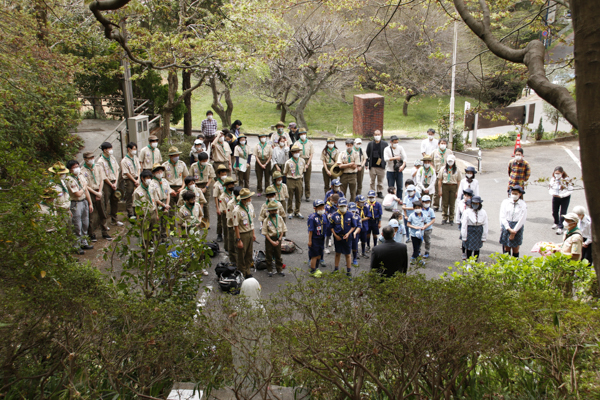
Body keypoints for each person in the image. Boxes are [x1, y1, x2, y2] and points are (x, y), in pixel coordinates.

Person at [65, 160, 94, 253]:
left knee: (85, 223)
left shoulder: (80, 176)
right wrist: (84, 187)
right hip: (75, 203)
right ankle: (76, 245)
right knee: (77, 225)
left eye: (77, 166)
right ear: (70, 169)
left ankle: (84, 242)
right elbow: (77, 193)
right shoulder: (69, 179)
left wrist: (90, 203)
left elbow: (85, 192)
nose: (77, 168)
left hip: (84, 201)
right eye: (74, 167)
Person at [81, 151, 110, 241]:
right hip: (90, 193)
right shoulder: (82, 171)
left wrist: (100, 192)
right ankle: (91, 233)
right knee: (91, 214)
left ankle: (104, 232)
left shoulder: (98, 167)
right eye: (89, 158)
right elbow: (85, 185)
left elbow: (101, 180)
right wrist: (95, 193)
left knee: (103, 212)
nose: (91, 160)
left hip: (99, 191)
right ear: (85, 159)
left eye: (92, 157)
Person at [96, 142, 122, 226]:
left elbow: (117, 170)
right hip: (107, 183)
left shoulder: (112, 158)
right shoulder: (100, 161)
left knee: (115, 200)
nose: (111, 150)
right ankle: (104, 223)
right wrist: (111, 184)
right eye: (109, 149)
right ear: (104, 150)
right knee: (105, 202)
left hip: (114, 181)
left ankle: (114, 219)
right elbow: (103, 175)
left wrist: (115, 182)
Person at [329, 198, 356, 276]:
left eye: (344, 206)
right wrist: (335, 235)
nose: (343, 207)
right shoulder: (334, 215)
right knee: (337, 253)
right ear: (338, 206)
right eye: (341, 206)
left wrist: (348, 233)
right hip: (338, 237)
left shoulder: (350, 215)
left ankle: (348, 271)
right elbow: (331, 227)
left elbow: (353, 226)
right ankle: (336, 269)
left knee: (347, 254)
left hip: (347, 237)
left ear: (347, 206)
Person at [233, 188, 256, 278]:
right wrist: (238, 239)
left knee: (249, 254)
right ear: (244, 199)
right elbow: (236, 226)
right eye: (249, 198)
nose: (250, 199)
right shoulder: (237, 210)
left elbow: (252, 221)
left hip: (249, 232)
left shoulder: (250, 206)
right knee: (241, 255)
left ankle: (247, 271)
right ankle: (241, 273)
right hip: (242, 234)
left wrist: (253, 233)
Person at [499, 185, 527, 258]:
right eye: (513, 193)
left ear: (520, 194)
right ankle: (506, 264)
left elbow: (522, 219)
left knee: (515, 248)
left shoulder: (523, 204)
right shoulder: (505, 202)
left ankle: (515, 265)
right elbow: (502, 216)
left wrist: (514, 231)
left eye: (516, 194)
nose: (514, 195)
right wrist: (508, 228)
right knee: (506, 247)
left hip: (517, 227)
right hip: (507, 226)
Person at [262, 200, 287, 277]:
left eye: (275, 210)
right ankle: (269, 269)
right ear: (269, 211)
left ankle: (279, 268)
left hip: (278, 238)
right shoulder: (266, 220)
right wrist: (272, 241)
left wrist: (279, 239)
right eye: (272, 210)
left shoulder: (279, 218)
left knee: (278, 254)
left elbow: (283, 229)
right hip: (270, 239)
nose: (274, 212)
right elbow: (265, 233)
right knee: (269, 254)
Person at [189, 152, 215, 225]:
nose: (205, 162)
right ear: (199, 160)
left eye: (206, 160)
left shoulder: (209, 166)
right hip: (196, 185)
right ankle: (196, 221)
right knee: (196, 204)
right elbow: (190, 178)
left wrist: (206, 187)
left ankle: (206, 222)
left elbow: (211, 177)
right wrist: (196, 188)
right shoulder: (193, 166)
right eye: (203, 161)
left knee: (206, 205)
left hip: (206, 185)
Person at [460, 196, 488, 261]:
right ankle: (469, 262)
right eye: (473, 203)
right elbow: (464, 225)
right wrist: (464, 236)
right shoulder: (467, 212)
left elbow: (485, 224)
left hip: (478, 231)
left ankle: (475, 262)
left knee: (477, 248)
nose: (475, 205)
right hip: (470, 231)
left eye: (477, 203)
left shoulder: (483, 212)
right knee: (469, 248)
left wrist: (484, 236)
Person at [548, 166, 573, 235]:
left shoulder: (566, 180)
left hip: (564, 198)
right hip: (556, 197)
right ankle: (556, 222)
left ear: (562, 173)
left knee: (563, 213)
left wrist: (562, 195)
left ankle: (560, 227)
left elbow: (570, 190)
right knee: (554, 212)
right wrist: (552, 194)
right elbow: (550, 188)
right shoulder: (553, 179)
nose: (557, 174)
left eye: (558, 173)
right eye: (555, 173)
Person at [283, 143, 305, 219]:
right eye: (295, 152)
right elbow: (285, 172)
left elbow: (303, 170)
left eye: (298, 152)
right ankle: (290, 211)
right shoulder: (288, 162)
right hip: (290, 180)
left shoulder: (302, 161)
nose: (297, 153)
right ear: (292, 153)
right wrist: (290, 178)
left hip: (299, 179)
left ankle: (297, 211)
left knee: (299, 196)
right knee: (290, 196)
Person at [150, 163, 171, 238]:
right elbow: (155, 198)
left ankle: (164, 238)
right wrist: (163, 205)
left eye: (161, 171)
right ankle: (158, 239)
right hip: (158, 204)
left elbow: (168, 193)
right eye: (157, 172)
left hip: (165, 203)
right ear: (154, 173)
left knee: (164, 222)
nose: (160, 173)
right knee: (157, 222)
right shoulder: (152, 183)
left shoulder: (165, 181)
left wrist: (167, 205)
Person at [121, 142, 141, 219]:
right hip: (129, 180)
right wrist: (134, 181)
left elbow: (139, 168)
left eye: (136, 149)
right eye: (134, 149)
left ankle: (137, 212)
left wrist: (138, 179)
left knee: (137, 196)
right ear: (129, 149)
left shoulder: (135, 158)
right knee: (129, 196)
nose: (135, 151)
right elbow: (126, 173)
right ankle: (130, 213)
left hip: (137, 178)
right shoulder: (124, 160)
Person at [439, 154, 461, 225]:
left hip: (453, 186)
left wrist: (458, 191)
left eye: (451, 161)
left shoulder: (457, 170)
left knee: (452, 203)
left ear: (454, 161)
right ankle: (444, 217)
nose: (450, 162)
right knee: (445, 203)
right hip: (445, 186)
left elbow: (459, 181)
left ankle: (451, 218)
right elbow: (440, 180)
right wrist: (440, 190)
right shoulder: (443, 169)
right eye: (449, 161)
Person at [365, 130, 387, 198]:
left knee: (380, 181)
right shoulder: (370, 144)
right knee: (372, 181)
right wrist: (366, 163)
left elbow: (386, 154)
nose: (377, 136)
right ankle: (372, 192)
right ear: (373, 135)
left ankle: (379, 192)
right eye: (376, 134)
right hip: (373, 165)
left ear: (381, 134)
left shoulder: (384, 144)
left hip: (381, 166)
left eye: (378, 134)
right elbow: (367, 154)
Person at [307, 199, 326, 277]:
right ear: (315, 208)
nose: (321, 209)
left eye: (322, 207)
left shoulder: (324, 216)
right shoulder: (312, 218)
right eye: (319, 208)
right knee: (314, 255)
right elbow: (310, 230)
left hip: (321, 238)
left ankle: (317, 267)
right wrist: (310, 241)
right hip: (315, 239)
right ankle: (312, 270)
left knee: (319, 254)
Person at [433, 138, 453, 211]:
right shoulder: (434, 152)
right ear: (438, 144)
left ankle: (443, 206)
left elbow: (453, 162)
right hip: (437, 173)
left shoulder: (449, 152)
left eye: (444, 143)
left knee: (445, 190)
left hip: (446, 174)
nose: (443, 145)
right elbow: (430, 162)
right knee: (437, 190)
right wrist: (433, 169)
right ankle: (436, 205)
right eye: (442, 143)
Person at [217, 177, 235, 256]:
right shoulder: (222, 197)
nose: (232, 186)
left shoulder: (234, 194)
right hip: (226, 216)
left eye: (232, 184)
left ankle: (233, 247)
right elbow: (223, 209)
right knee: (227, 232)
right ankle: (227, 248)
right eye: (230, 185)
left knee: (233, 232)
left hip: (234, 215)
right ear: (226, 186)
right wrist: (230, 215)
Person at [455, 188, 474, 260]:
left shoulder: (472, 203)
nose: (466, 197)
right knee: (463, 237)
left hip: (470, 223)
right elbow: (458, 212)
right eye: (465, 195)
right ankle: (463, 252)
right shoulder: (461, 202)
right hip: (462, 222)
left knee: (469, 238)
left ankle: (469, 250)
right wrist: (458, 221)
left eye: (468, 196)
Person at [296, 128, 314, 202]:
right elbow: (295, 153)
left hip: (307, 160)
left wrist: (308, 163)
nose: (303, 135)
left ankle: (307, 195)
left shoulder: (310, 143)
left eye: (304, 134)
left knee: (307, 180)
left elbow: (311, 154)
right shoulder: (297, 143)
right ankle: (299, 195)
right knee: (300, 179)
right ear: (299, 135)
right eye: (301, 134)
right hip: (299, 160)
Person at [213, 164, 230, 242]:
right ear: (219, 175)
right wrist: (217, 208)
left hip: (229, 203)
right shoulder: (217, 184)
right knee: (220, 220)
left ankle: (228, 234)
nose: (224, 176)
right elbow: (215, 196)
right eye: (222, 174)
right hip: (221, 204)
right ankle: (219, 234)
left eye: (225, 174)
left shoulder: (228, 182)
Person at [226, 186, 242, 264]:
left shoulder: (243, 201)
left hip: (240, 227)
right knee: (232, 244)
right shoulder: (231, 204)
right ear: (235, 195)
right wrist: (237, 225)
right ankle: (233, 262)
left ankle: (240, 261)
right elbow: (230, 218)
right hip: (232, 227)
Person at [349, 202, 362, 267]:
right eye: (351, 211)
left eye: (353, 211)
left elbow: (359, 226)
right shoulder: (346, 216)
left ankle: (354, 258)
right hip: (347, 234)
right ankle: (348, 259)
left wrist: (355, 232)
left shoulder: (357, 217)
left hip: (355, 234)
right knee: (348, 247)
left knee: (354, 247)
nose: (352, 212)